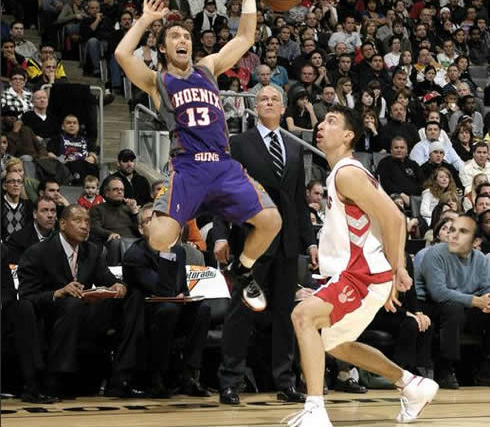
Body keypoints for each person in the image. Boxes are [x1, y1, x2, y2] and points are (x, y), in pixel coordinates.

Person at [114, 0, 282, 312]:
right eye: (174, 36)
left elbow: (246, 38)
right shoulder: (157, 82)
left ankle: (242, 270)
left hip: (222, 165)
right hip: (188, 167)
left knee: (271, 221)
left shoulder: (208, 69)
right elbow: (121, 54)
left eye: (186, 36)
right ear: (162, 48)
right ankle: (159, 285)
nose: (183, 40)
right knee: (160, 236)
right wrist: (145, 21)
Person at [287, 106, 438, 427]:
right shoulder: (344, 172)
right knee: (336, 343)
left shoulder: (347, 173)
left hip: (361, 275)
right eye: (322, 119)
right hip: (359, 274)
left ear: (348, 136)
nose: (321, 126)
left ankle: (316, 411)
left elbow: (395, 218)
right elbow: (381, 221)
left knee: (303, 317)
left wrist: (396, 268)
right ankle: (412, 385)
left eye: (331, 121)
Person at [214, 85, 317, 405]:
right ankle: (230, 381)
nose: (269, 102)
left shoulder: (294, 146)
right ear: (254, 108)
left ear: (284, 108)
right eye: (263, 99)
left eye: (274, 99)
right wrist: (219, 233)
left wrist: (310, 242)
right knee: (241, 312)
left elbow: (299, 201)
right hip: (251, 241)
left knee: (286, 314)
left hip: (287, 243)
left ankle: (284, 381)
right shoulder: (239, 144)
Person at [17, 205, 146, 398]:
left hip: (84, 313)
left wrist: (119, 286)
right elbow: (27, 297)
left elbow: (108, 278)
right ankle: (57, 377)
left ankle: (121, 378)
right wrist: (58, 292)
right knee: (72, 302)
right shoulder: (38, 252)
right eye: (78, 221)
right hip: (52, 314)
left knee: (134, 297)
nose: (85, 226)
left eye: (87, 221)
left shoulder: (92, 251)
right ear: (62, 224)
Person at [123, 203, 211, 398]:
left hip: (171, 309)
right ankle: (157, 377)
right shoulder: (134, 255)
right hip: (145, 315)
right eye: (149, 221)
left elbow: (182, 288)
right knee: (168, 309)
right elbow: (159, 289)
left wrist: (185, 296)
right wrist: (165, 252)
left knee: (202, 309)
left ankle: (189, 375)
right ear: (140, 228)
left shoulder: (178, 251)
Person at [420, 215, 490, 388]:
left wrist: (487, 301)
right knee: (453, 310)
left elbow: (486, 288)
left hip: (468, 305)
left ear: (476, 241)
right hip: (433, 306)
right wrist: (475, 300)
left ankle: (485, 370)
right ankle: (444, 369)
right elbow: (438, 293)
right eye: (453, 230)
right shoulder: (435, 254)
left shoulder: (481, 259)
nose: (454, 236)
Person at [7, 197, 57, 264]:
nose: (50, 215)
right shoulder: (17, 239)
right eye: (44, 210)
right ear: (35, 214)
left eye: (53, 211)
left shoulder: (60, 237)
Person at [1, 170, 34, 241]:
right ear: (4, 186)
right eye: (12, 181)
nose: (16, 184)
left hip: (23, 247)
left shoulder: (29, 205)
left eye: (19, 182)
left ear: (22, 186)